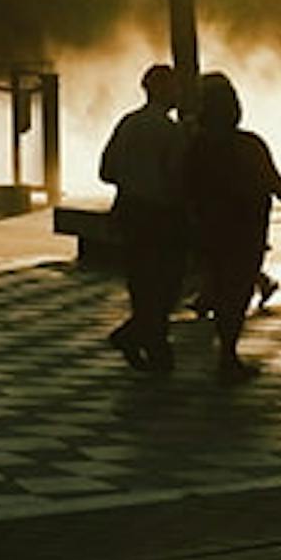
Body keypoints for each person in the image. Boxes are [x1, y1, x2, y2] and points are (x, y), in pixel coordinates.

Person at [186, 72, 281, 380]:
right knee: (236, 292)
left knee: (224, 287)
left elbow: (187, 187)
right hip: (246, 229)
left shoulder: (197, 145)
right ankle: (228, 354)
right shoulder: (248, 144)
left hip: (213, 229)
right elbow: (271, 178)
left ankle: (227, 352)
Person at [102, 64, 188, 372]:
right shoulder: (169, 131)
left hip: (129, 211)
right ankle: (142, 338)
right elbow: (177, 178)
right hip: (160, 215)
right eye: (174, 87)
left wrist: (131, 179)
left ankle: (151, 343)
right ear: (163, 89)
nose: (178, 93)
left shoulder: (128, 124)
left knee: (142, 282)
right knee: (167, 282)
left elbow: (106, 170)